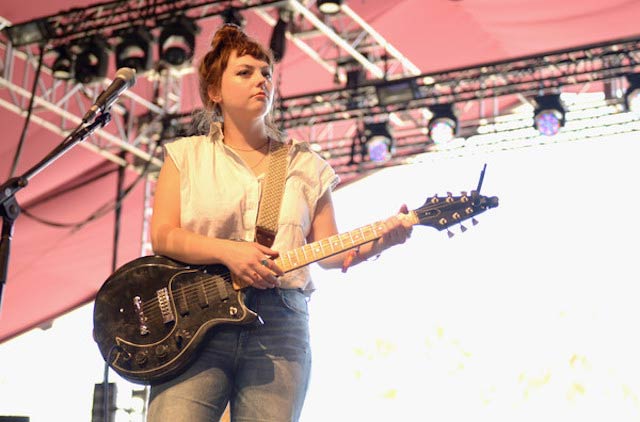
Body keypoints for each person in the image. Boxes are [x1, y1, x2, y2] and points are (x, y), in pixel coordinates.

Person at [147, 24, 414, 422]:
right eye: (245, 72)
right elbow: (163, 236)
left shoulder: (305, 165)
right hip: (196, 328)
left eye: (266, 73)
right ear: (214, 92)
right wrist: (228, 251)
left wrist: (385, 241)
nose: (261, 80)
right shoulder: (186, 155)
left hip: (280, 326)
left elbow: (329, 252)